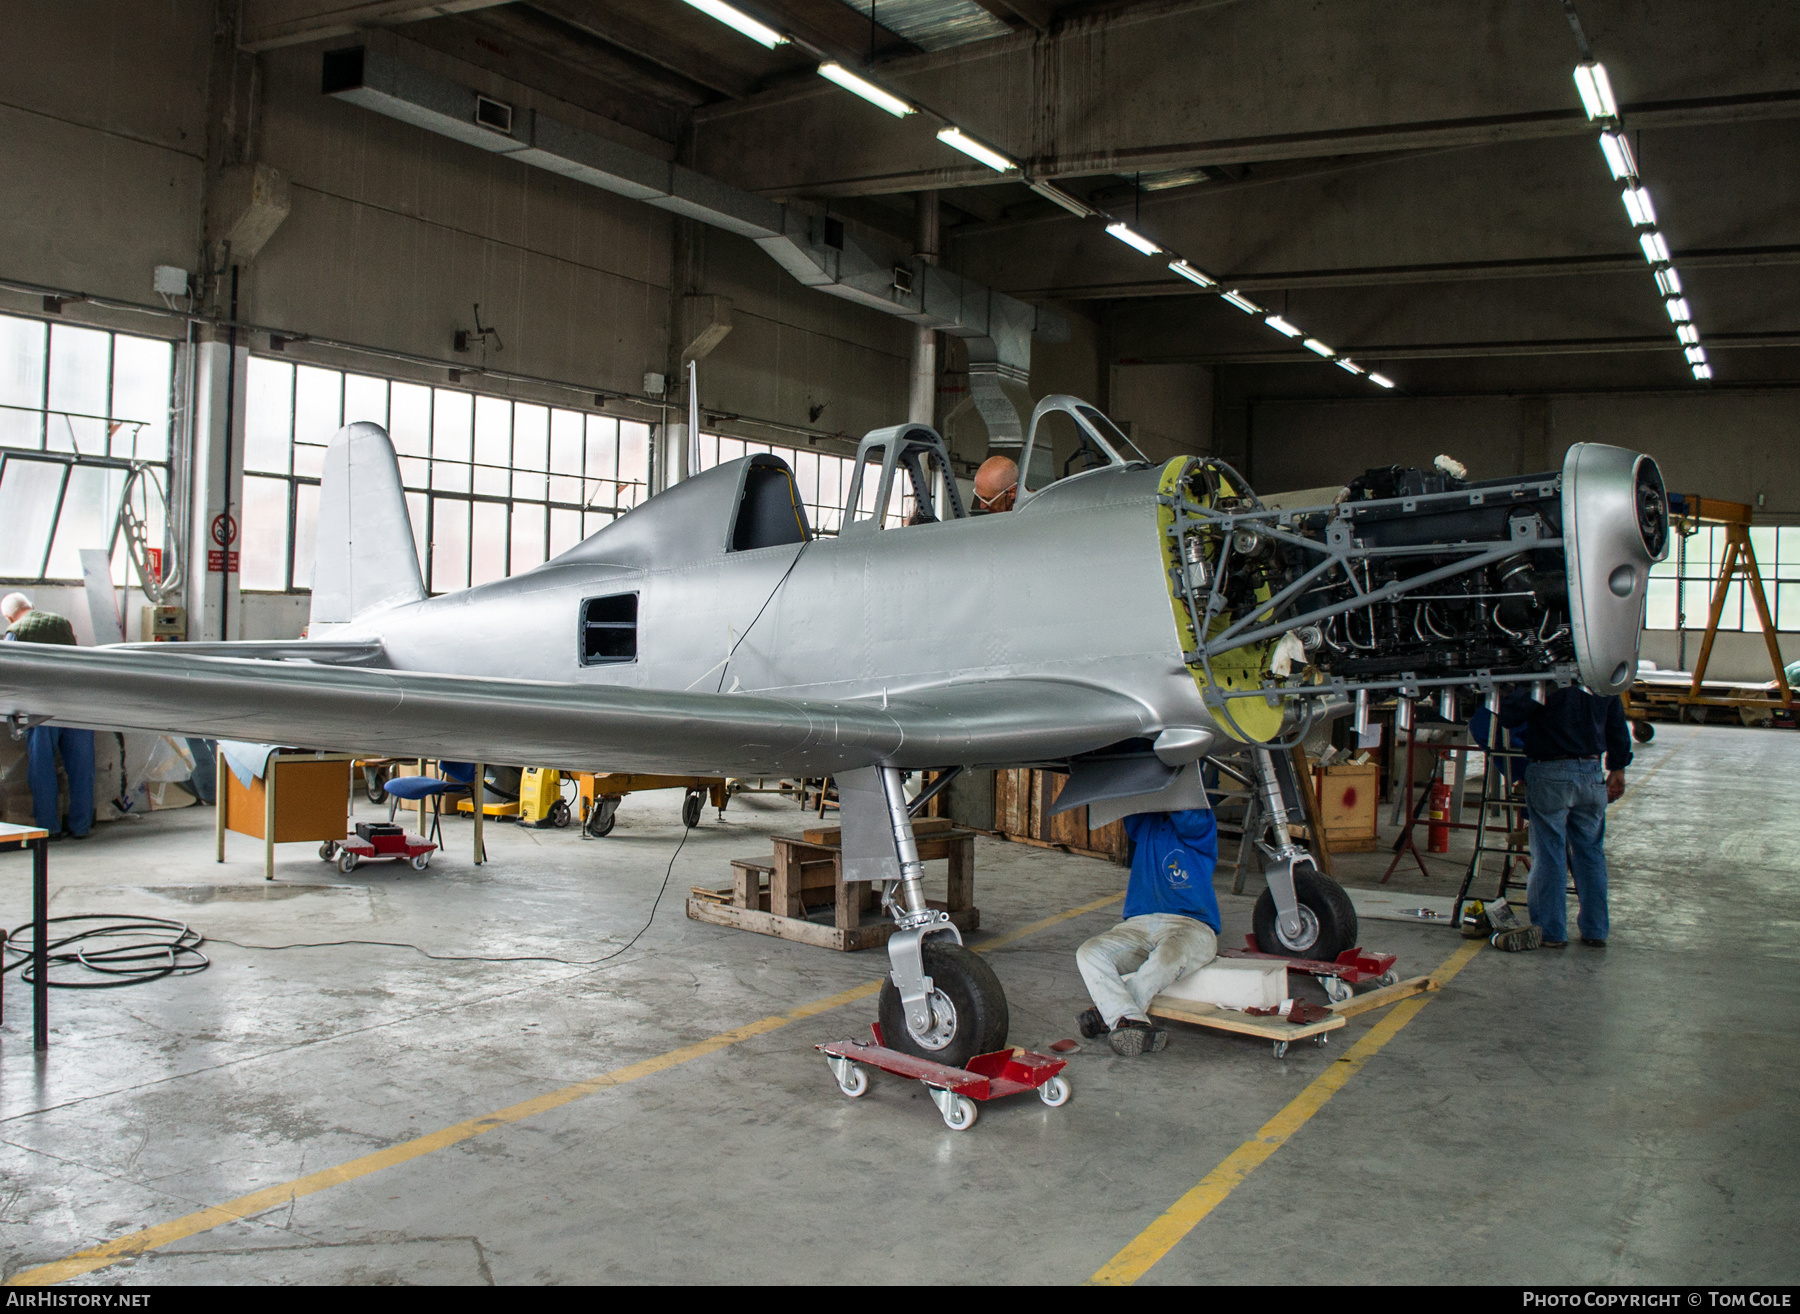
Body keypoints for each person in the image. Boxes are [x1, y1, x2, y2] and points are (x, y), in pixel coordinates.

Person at [1075, 807, 1220, 1055]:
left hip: (1191, 925)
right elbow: (1131, 810)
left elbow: (1189, 821)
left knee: (1167, 958)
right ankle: (1133, 1021)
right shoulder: (1146, 823)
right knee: (1089, 953)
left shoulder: (1201, 821)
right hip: (1139, 924)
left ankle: (1111, 1015)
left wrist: (1169, 785)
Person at [1500, 685, 1631, 948]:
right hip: (1592, 773)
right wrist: (1618, 768)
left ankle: (1551, 931)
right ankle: (1595, 930)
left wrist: (1517, 689)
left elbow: (1508, 716)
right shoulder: (1600, 674)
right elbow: (1616, 724)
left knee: (1549, 853)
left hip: (1550, 772)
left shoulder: (1547, 676)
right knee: (1590, 853)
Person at [2, 593, 94, 839]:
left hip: (41, 707)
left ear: (9, 616)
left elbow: (8, 672)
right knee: (82, 768)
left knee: (42, 768)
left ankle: (48, 829)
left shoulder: (15, 631)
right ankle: (81, 827)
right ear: (30, 606)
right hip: (78, 704)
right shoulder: (61, 621)